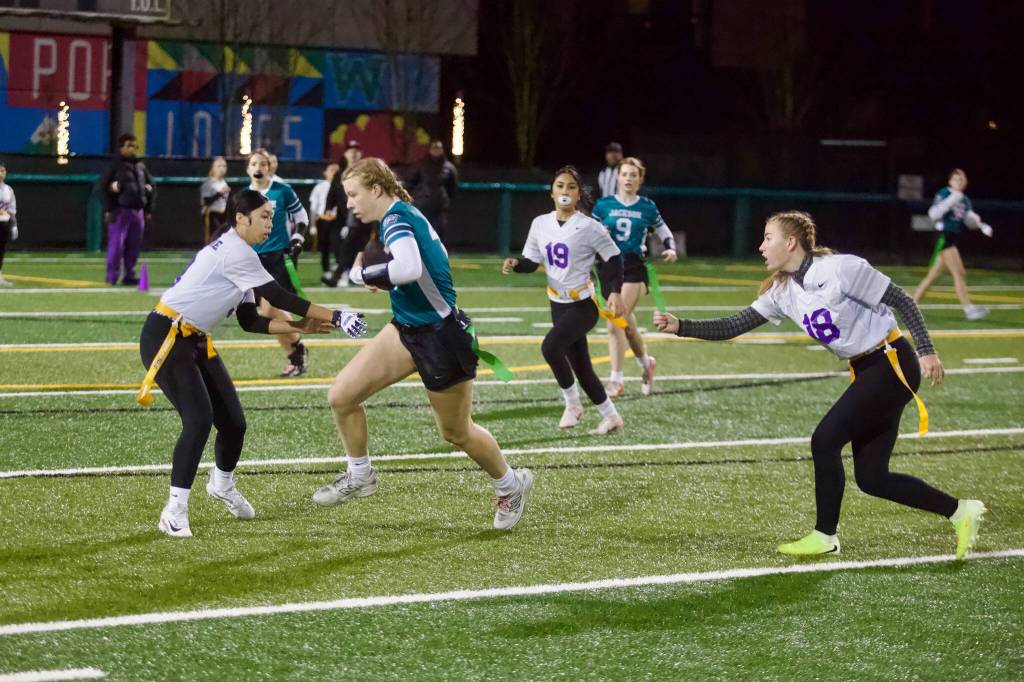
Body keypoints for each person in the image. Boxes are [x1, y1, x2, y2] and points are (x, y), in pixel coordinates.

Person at [654, 210, 986, 558]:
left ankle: (825, 535)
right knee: (872, 478)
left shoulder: (839, 269)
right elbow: (734, 325)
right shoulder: (784, 289)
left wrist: (927, 350)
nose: (761, 246)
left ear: (791, 242)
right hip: (867, 369)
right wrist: (682, 326)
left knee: (824, 439)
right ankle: (961, 511)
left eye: (768, 238)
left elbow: (902, 299)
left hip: (891, 362)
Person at [312, 157, 534, 531]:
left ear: (377, 190)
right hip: (406, 330)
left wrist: (366, 273)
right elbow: (428, 264)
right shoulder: (400, 216)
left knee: (456, 432)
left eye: (354, 194)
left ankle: (511, 485)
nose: (349, 202)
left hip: (442, 337)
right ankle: (361, 475)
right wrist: (383, 276)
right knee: (342, 396)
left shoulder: (398, 218)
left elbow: (410, 269)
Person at [139, 189, 367, 538]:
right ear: (240, 218)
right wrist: (335, 316)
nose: (270, 223)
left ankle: (222, 485)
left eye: (271, 217)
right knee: (199, 419)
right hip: (166, 335)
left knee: (234, 423)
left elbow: (250, 319)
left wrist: (299, 326)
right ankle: (174, 509)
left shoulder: (242, 252)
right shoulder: (233, 250)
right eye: (263, 216)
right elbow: (278, 297)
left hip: (195, 339)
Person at [502, 165, 626, 434]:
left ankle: (572, 404)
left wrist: (614, 290)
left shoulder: (589, 226)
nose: (565, 191)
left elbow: (614, 257)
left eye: (571, 186)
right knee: (582, 367)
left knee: (550, 348)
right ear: (551, 192)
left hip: (583, 304)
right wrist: (516, 263)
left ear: (579, 193)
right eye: (560, 186)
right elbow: (532, 261)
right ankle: (612, 416)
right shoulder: (540, 223)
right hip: (556, 303)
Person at [593, 156, 677, 397]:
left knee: (614, 322)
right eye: (625, 174)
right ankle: (646, 363)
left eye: (633, 175)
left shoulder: (647, 206)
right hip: (608, 268)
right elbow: (590, 233)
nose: (628, 178)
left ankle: (616, 380)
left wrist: (669, 247)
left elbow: (663, 229)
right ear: (618, 177)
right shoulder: (603, 205)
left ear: (640, 180)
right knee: (627, 328)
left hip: (633, 267)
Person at [246, 150, 311, 376]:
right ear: (248, 168)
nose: (259, 167)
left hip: (278, 256)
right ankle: (296, 355)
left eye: (263, 163)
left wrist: (298, 240)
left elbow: (301, 217)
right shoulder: (244, 195)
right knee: (267, 314)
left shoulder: (282, 190)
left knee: (270, 308)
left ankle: (299, 348)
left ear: (269, 167)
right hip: (253, 259)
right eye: (254, 163)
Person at [912, 168, 995, 321]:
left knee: (933, 276)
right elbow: (934, 213)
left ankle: (910, 307)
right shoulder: (945, 193)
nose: (959, 181)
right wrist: (953, 199)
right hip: (943, 237)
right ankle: (969, 310)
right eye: (956, 179)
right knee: (959, 273)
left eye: (962, 179)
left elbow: (969, 220)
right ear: (950, 181)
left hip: (952, 238)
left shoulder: (965, 200)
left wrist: (982, 225)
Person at [100, 133, 154, 285]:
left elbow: (152, 186)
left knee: (133, 247)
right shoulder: (114, 166)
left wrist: (148, 208)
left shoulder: (140, 166)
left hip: (138, 211)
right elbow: (102, 187)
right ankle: (111, 277)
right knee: (116, 246)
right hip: (120, 211)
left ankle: (129, 275)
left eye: (135, 145)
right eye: (129, 145)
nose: (133, 149)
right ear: (121, 147)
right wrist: (109, 208)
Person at [324, 140, 369, 286]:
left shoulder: (366, 172)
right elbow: (332, 193)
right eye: (351, 150)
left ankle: (338, 276)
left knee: (349, 245)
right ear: (345, 154)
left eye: (356, 150)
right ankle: (352, 276)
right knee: (348, 246)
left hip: (362, 216)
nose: (354, 153)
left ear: (361, 153)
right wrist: (328, 208)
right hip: (344, 216)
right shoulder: (340, 173)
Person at [405, 139, 458, 243]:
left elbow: (452, 188)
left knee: (439, 233)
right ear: (429, 150)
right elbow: (410, 183)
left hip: (440, 207)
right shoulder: (421, 165)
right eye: (434, 148)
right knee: (421, 233)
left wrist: (445, 201)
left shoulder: (449, 167)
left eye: (438, 149)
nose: (436, 151)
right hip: (422, 206)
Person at [309, 161, 340, 280]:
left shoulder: (343, 186)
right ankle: (326, 270)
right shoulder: (319, 187)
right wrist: (312, 225)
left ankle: (339, 270)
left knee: (339, 245)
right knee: (324, 247)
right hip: (323, 220)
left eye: (336, 170)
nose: (334, 173)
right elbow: (314, 208)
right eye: (331, 170)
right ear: (325, 173)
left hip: (338, 220)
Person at [200, 156, 230, 243]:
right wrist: (220, 193)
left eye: (224, 166)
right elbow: (206, 201)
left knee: (221, 238)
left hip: (222, 213)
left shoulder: (223, 182)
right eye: (219, 166)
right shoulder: (209, 183)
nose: (222, 168)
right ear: (213, 168)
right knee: (212, 237)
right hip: (211, 214)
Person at [0, 160, 18, 287]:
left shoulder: (8, 190)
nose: (1, 173)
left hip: (3, 225)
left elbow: (12, 210)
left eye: (3, 171)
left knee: (1, 251)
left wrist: (14, 225)